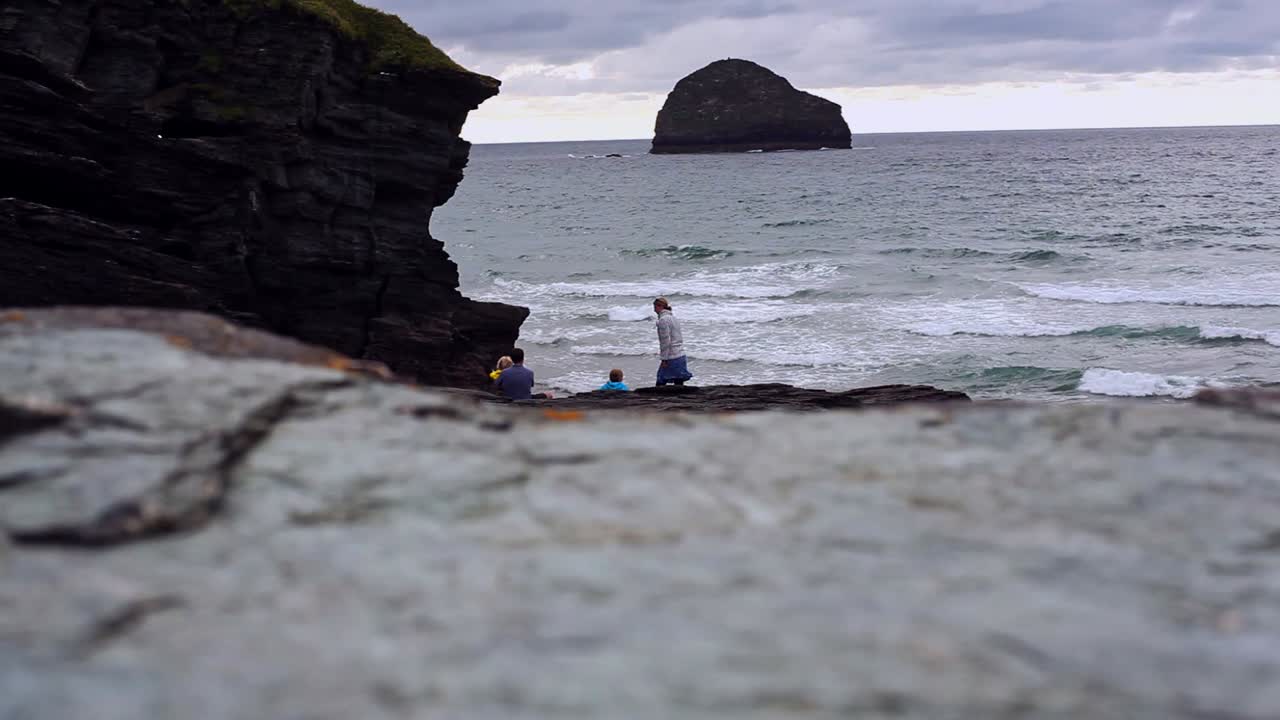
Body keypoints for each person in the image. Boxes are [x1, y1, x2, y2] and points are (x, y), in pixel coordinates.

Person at [653, 297, 693, 386]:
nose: (654, 309)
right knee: (679, 382)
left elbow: (665, 341)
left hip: (672, 356)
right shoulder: (674, 318)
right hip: (681, 355)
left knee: (661, 381)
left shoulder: (663, 320)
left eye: (654, 307)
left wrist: (664, 359)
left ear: (659, 306)